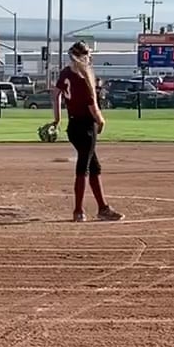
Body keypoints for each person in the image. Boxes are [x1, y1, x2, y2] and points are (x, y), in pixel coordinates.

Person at [50, 43, 123, 223]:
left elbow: (56, 94)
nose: (90, 58)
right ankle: (78, 210)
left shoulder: (66, 73)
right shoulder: (84, 79)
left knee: (94, 166)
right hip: (86, 128)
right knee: (84, 167)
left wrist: (57, 119)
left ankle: (103, 208)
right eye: (88, 55)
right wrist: (101, 121)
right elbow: (93, 107)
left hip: (73, 127)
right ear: (82, 57)